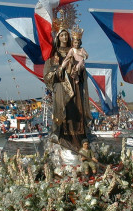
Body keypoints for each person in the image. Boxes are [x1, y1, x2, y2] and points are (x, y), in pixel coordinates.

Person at [43, 21, 91, 149]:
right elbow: (47, 76)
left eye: (66, 35)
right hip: (62, 87)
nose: (64, 37)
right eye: (62, 35)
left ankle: (80, 139)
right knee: (65, 112)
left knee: (77, 111)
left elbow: (82, 68)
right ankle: (63, 138)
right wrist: (61, 68)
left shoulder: (74, 50)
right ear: (58, 37)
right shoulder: (55, 55)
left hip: (75, 86)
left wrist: (79, 71)